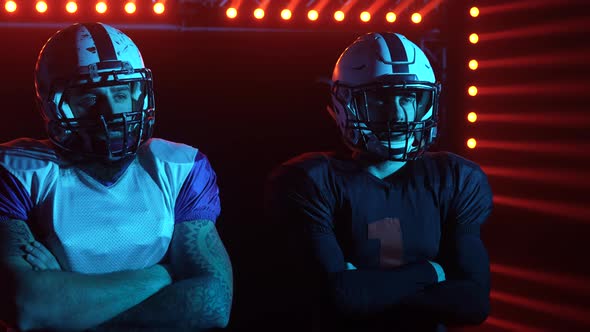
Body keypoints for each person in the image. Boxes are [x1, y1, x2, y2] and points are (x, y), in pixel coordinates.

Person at [0, 23, 232, 331]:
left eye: (121, 93)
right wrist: (163, 275)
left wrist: (69, 307)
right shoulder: (18, 171)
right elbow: (31, 307)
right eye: (89, 98)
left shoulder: (180, 167)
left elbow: (212, 303)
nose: (111, 111)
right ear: (52, 106)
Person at [265, 32, 493, 331]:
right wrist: (432, 271)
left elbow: (473, 304)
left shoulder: (457, 178)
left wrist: (369, 288)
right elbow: (342, 297)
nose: (398, 114)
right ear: (343, 104)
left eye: (409, 97)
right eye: (379, 98)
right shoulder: (309, 180)